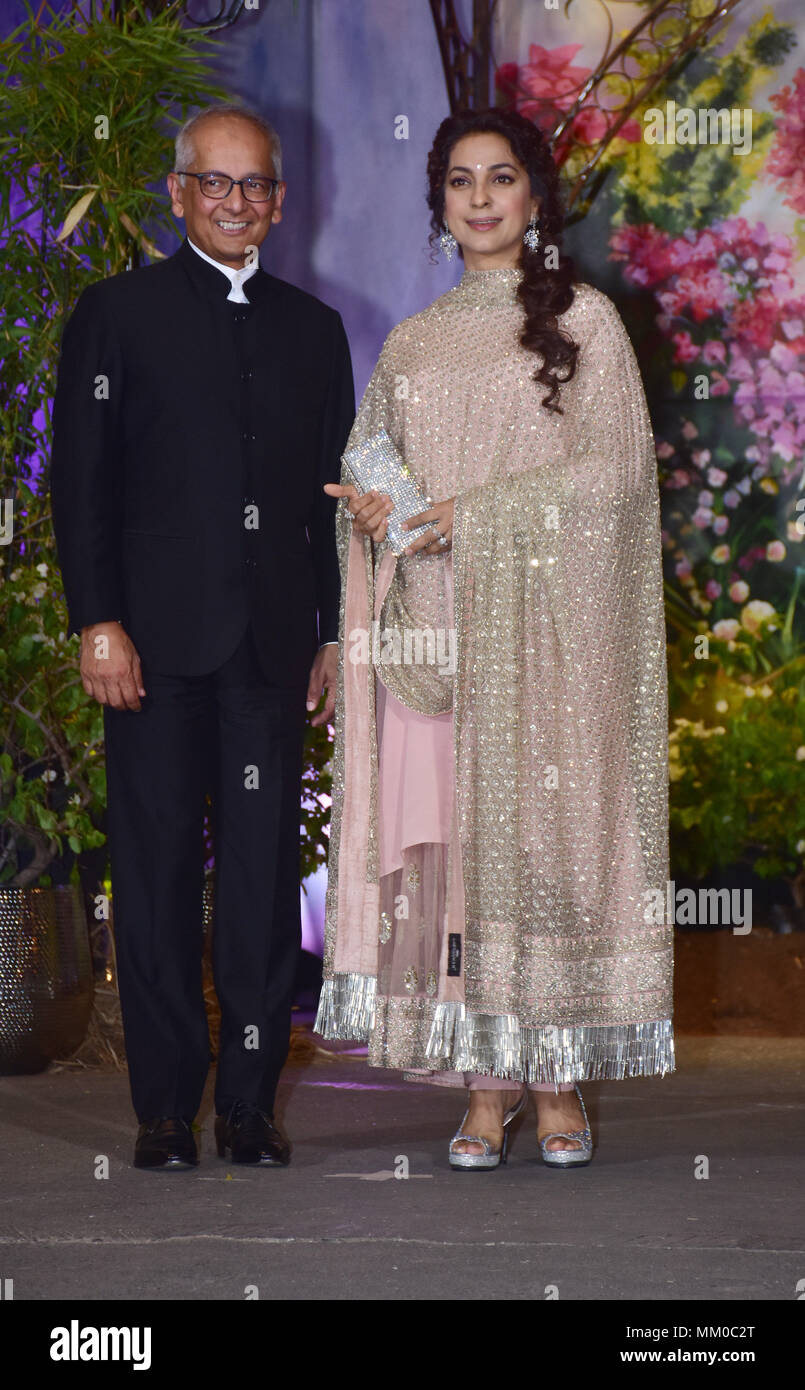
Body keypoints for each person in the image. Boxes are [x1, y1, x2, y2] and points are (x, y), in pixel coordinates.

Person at [317, 107, 673, 1170]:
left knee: (542, 852)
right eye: (460, 180)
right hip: (434, 636)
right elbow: (366, 469)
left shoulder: (587, 323)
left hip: (550, 644)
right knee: (461, 871)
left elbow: (615, 478)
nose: (479, 198)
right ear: (438, 202)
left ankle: (556, 1078)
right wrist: (374, 516)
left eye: (501, 178)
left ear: (533, 197)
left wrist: (481, 510)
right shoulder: (410, 343)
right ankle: (483, 1086)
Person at [51, 104, 354, 1170]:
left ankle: (248, 1108)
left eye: (256, 185)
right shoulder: (114, 316)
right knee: (157, 874)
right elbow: (79, 486)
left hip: (272, 653)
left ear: (279, 198)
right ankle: (167, 1110)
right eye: (214, 184)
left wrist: (333, 634)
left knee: (268, 886)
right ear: (177, 193)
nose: (236, 202)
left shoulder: (314, 330)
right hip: (152, 652)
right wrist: (98, 622)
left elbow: (330, 501)